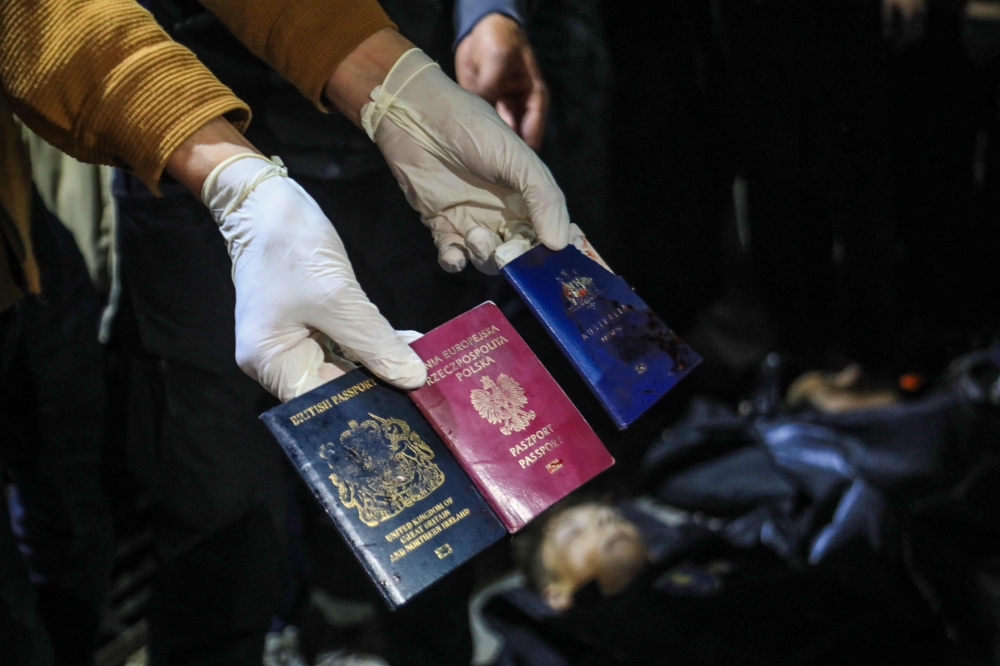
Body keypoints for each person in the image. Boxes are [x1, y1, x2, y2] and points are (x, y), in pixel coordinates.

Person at [1, 0, 572, 663]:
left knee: (438, 497)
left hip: (380, 159)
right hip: (191, 164)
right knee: (219, 524)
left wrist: (396, 75)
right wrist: (234, 177)